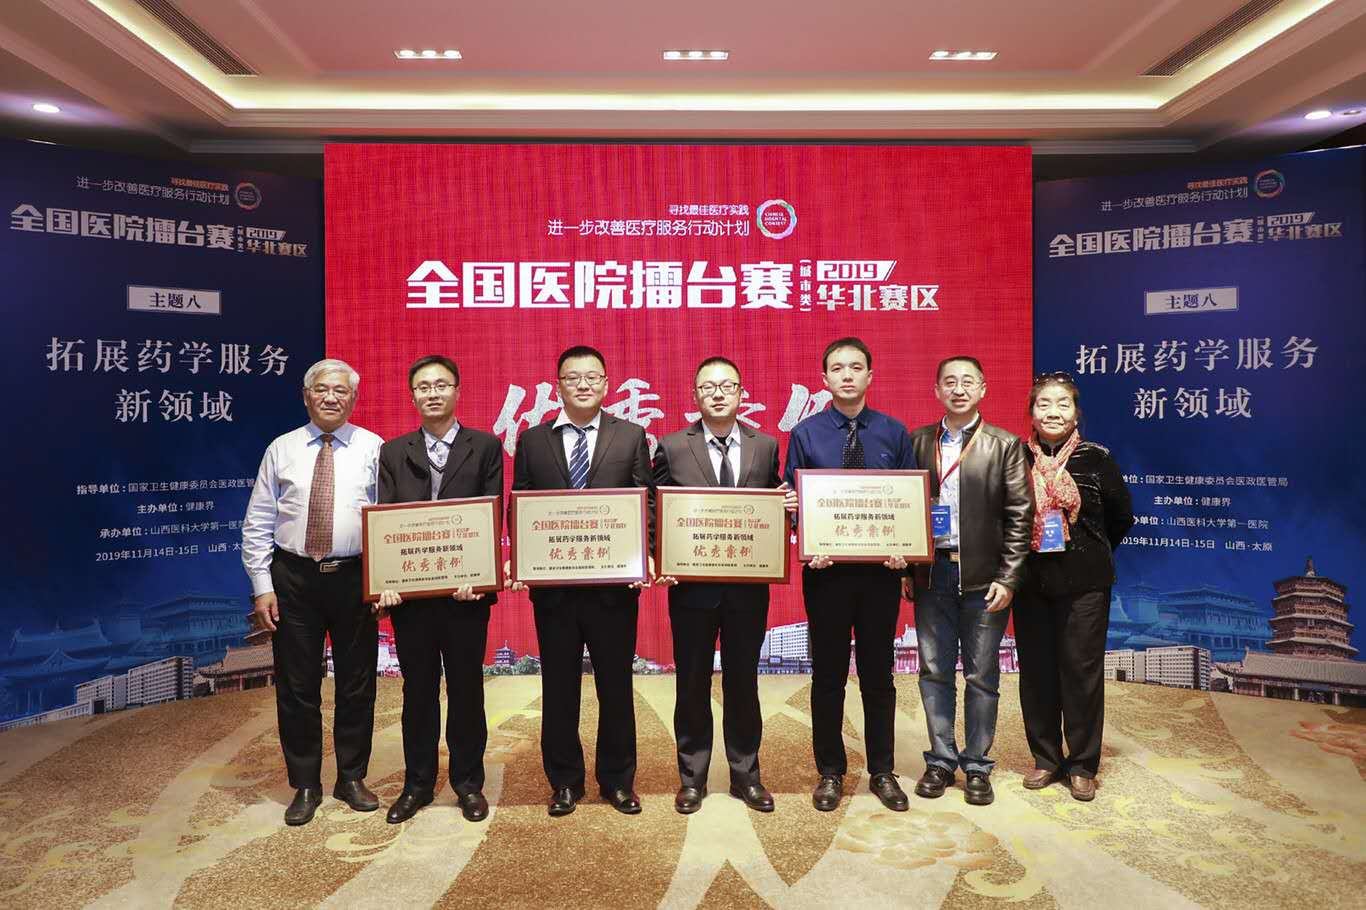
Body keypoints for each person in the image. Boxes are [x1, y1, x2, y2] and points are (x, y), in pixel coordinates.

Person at [507, 345, 652, 817]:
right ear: (559, 385)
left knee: (616, 687)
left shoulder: (631, 436)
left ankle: (618, 781)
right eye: (573, 377)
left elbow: (646, 502)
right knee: (559, 689)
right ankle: (565, 782)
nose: (583, 384)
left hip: (614, 591)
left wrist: (645, 555)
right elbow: (521, 505)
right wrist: (521, 560)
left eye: (592, 377)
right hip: (555, 593)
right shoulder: (533, 441)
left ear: (607, 384)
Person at [652, 357, 798, 815]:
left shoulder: (765, 446)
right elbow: (655, 510)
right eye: (708, 387)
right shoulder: (672, 447)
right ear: (695, 395)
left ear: (741, 393)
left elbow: (770, 507)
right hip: (691, 590)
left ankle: (746, 776)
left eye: (727, 386)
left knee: (743, 682)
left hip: (746, 590)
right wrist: (658, 555)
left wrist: (787, 506)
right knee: (691, 683)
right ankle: (691, 779)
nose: (718, 394)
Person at [242, 358, 383, 826]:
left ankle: (351, 777)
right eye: (322, 389)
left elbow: (389, 520)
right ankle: (305, 783)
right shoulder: (281, 449)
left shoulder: (374, 447)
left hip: (354, 577)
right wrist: (262, 586)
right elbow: (258, 521)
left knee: (357, 684)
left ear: (354, 399)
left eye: (341, 391)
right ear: (306, 396)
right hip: (294, 579)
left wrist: (385, 579)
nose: (331, 397)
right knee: (297, 686)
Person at [784, 337, 916, 813]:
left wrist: (906, 550)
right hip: (827, 575)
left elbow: (909, 503)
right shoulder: (806, 434)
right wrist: (804, 536)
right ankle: (830, 771)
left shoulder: (893, 433)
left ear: (869, 376)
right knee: (829, 676)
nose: (846, 375)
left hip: (880, 576)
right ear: (824, 379)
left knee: (879, 676)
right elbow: (793, 501)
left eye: (855, 367)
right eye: (837, 368)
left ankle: (882, 770)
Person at [375, 355, 503, 824]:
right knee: (418, 693)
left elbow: (492, 513)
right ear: (413, 396)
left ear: (457, 391)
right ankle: (418, 784)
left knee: (467, 691)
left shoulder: (485, 446)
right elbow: (386, 521)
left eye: (441, 385)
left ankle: (468, 784)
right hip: (412, 599)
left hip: (466, 596)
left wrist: (481, 575)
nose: (432, 393)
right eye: (423, 386)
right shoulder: (394, 452)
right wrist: (386, 582)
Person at [907, 356, 1033, 806]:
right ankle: (941, 760)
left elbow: (1020, 515)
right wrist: (907, 569)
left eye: (967, 382)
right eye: (949, 382)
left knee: (981, 675)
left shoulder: (1004, 445)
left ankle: (977, 765)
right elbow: (902, 508)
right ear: (937, 391)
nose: (958, 389)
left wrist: (1009, 577)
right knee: (934, 671)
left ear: (983, 389)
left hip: (984, 577)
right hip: (932, 571)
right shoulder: (917, 441)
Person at [1014, 372, 1134, 801]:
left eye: (1062, 404)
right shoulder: (1014, 458)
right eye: (1043, 404)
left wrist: (1089, 549)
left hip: (1085, 582)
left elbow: (1121, 517)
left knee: (1081, 672)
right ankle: (1046, 758)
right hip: (1030, 580)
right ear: (1031, 413)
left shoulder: (1096, 458)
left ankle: (1082, 764)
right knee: (1037, 672)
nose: (1053, 412)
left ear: (1076, 413)